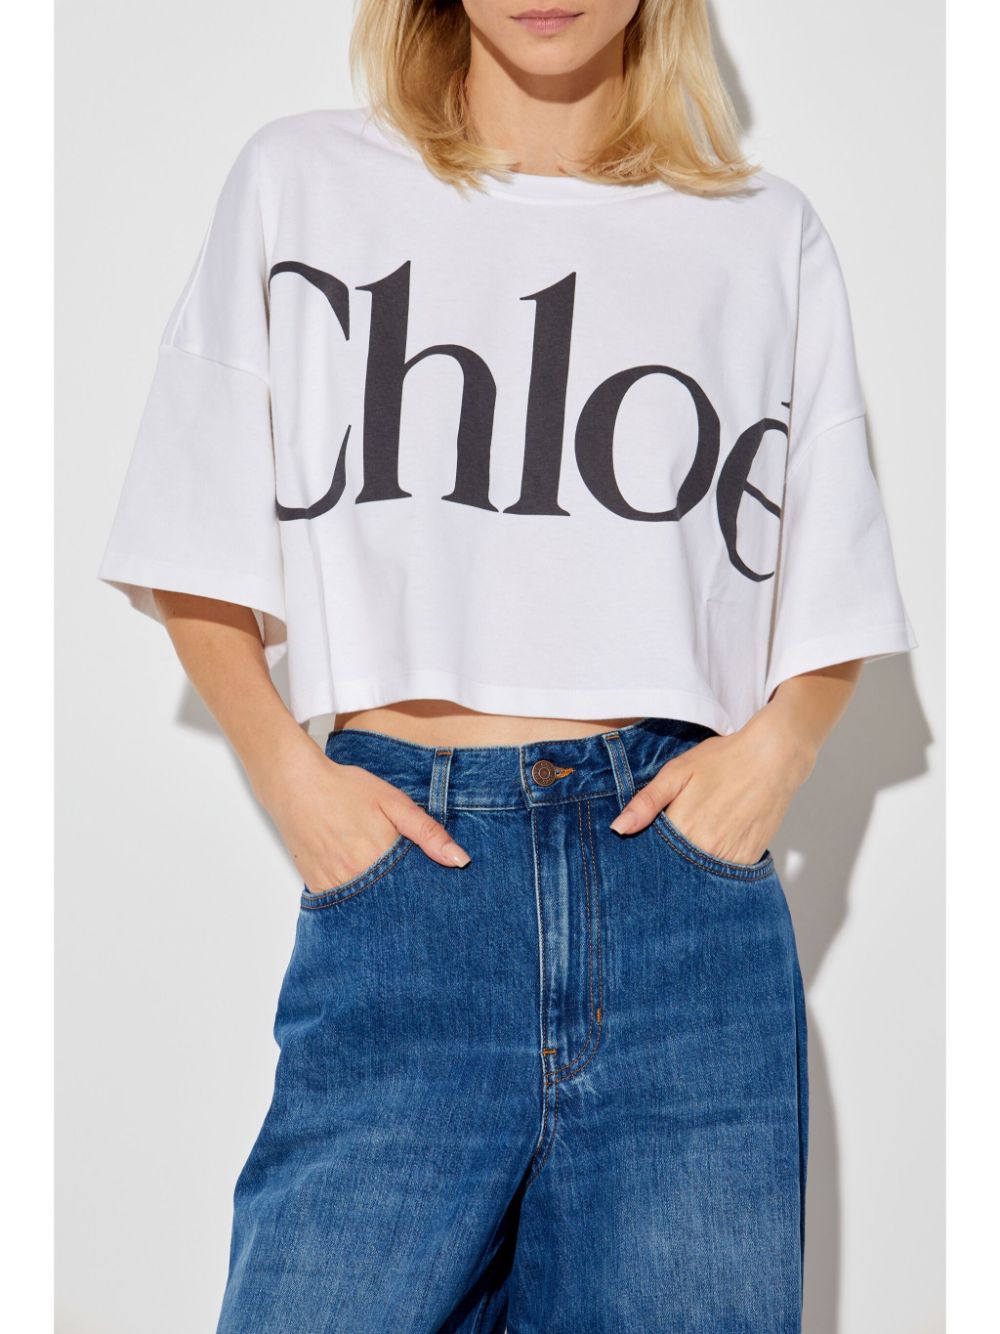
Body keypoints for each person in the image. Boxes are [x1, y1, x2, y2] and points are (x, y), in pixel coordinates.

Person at [96, 2, 917, 1329]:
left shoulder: (763, 233)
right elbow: (191, 537)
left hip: (679, 915)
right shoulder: (304, 181)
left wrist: (774, 756)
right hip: (408, 885)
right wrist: (296, 783)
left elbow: (832, 586)